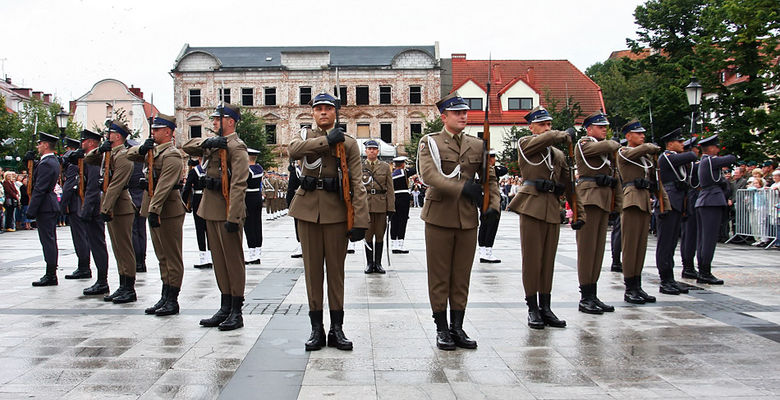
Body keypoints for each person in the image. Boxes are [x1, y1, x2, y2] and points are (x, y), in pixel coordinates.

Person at [417, 92, 500, 349]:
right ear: (444, 117)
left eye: (465, 112)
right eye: (457, 113)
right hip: (439, 216)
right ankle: (441, 327)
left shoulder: (477, 145)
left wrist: (493, 206)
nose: (463, 116)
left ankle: (457, 326)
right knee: (440, 275)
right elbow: (430, 176)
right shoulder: (430, 142)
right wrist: (462, 188)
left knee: (462, 275)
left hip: (467, 218)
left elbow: (490, 178)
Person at [288, 92, 369, 351]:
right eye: (318, 108)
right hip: (307, 211)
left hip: (336, 212)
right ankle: (316, 329)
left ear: (336, 112)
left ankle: (336, 328)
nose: (323, 112)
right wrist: (326, 141)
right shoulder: (304, 136)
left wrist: (360, 220)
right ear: (312, 112)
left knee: (336, 272)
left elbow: (357, 183)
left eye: (328, 108)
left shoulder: (349, 143)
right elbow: (293, 151)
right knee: (312, 273)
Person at [509, 106, 582, 327]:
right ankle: (532, 308)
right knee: (532, 260)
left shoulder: (558, 154)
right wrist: (563, 134)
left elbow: (569, 185)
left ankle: (546, 307)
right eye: (542, 124)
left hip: (551, 207)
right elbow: (548, 138)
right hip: (531, 206)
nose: (547, 128)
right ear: (531, 127)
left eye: (549, 124)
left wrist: (579, 212)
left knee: (548, 261)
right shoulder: (525, 144)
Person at [183, 103, 249, 330]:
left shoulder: (237, 148)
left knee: (232, 261)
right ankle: (225, 305)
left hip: (227, 210)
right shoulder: (213, 144)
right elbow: (187, 146)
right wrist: (208, 143)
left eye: (218, 120)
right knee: (219, 261)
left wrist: (233, 216)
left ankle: (236, 310)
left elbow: (239, 184)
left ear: (230, 122)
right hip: (210, 208)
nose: (214, 123)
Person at [128, 113, 187, 316]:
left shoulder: (172, 155)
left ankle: (173, 298)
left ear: (168, 132)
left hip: (168, 210)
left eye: (157, 130)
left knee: (172, 256)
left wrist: (154, 209)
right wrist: (141, 149)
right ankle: (165, 294)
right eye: (153, 129)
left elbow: (164, 186)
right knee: (162, 256)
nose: (153, 132)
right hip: (154, 208)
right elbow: (130, 154)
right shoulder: (152, 151)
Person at [574, 111, 621, 313]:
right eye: (600, 127)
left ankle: (592, 293)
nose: (604, 130)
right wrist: (614, 143)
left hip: (603, 199)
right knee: (587, 249)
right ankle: (585, 296)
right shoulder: (584, 144)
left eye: (605, 127)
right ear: (589, 129)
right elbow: (606, 146)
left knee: (598, 250)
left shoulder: (605, 149)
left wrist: (617, 205)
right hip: (589, 199)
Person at [85, 122, 137, 303]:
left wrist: (105, 207)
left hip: (121, 207)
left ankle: (129, 288)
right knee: (117, 248)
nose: (107, 135)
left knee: (124, 248)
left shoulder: (123, 156)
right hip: (112, 205)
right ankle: (122, 285)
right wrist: (100, 150)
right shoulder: (109, 153)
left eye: (111, 133)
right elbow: (88, 159)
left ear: (118, 136)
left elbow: (116, 185)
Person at [617, 119, 665, 304]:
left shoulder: (646, 158)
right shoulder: (624, 152)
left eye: (643, 133)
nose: (642, 136)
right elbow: (635, 152)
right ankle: (629, 287)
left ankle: (637, 285)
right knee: (630, 246)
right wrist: (650, 147)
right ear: (628, 136)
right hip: (631, 200)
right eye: (638, 134)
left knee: (640, 246)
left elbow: (656, 180)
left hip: (644, 200)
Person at [654, 128, 697, 295]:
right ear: (670, 144)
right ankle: (665, 279)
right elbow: (692, 155)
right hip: (668, 202)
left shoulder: (675, 158)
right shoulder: (666, 157)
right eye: (679, 142)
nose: (682, 144)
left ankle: (670, 278)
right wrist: (691, 150)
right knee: (665, 243)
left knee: (671, 243)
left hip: (677, 202)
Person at [74, 129, 111, 296]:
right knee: (96, 244)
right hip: (93, 207)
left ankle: (102, 281)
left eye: (83, 141)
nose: (81, 145)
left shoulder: (95, 160)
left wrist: (86, 209)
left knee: (97, 244)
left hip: (94, 208)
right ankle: (101, 280)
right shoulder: (91, 158)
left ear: (90, 143)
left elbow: (93, 187)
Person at [695, 134, 735, 285]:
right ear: (710, 148)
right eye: (716, 147)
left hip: (706, 200)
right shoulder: (709, 160)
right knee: (709, 239)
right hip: (711, 201)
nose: (718, 150)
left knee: (704, 239)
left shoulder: (705, 161)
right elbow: (731, 158)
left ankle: (703, 270)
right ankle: (705, 272)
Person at [25, 132, 61, 286]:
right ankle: (51, 272)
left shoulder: (46, 163)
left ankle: (51, 274)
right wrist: (30, 163)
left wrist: (31, 209)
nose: (38, 146)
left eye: (40, 144)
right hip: (49, 204)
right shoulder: (52, 161)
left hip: (45, 206)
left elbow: (40, 188)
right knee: (49, 239)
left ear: (46, 145)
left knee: (47, 240)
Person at [361, 139, 395, 274]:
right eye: (369, 149)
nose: (372, 151)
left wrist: (391, 208)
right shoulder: (360, 166)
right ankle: (369, 263)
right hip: (365, 205)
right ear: (366, 151)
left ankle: (378, 263)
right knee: (368, 235)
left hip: (381, 205)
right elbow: (356, 188)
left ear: (378, 151)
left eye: (374, 149)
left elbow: (390, 188)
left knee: (380, 235)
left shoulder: (385, 167)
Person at [60, 137, 92, 280]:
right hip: (81, 203)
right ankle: (84, 266)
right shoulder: (82, 162)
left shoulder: (74, 165)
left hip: (76, 204)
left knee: (79, 237)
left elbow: (69, 186)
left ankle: (84, 267)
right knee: (83, 236)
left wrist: (62, 206)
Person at [182, 157, 212, 268]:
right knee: (210, 229)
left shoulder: (194, 171)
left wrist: (184, 202)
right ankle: (211, 256)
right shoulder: (211, 170)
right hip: (210, 199)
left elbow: (187, 188)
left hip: (198, 199)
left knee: (200, 229)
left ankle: (203, 258)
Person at [478, 151, 506, 264]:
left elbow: (504, 170)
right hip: (491, 202)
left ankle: (483, 251)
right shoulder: (489, 170)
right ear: (490, 159)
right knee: (490, 226)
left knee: (484, 226)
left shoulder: (489, 169)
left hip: (485, 201)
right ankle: (487, 251)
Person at [680, 137, 700, 277]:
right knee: (690, 234)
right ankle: (688, 267)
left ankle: (688, 266)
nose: (698, 151)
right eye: (696, 148)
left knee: (689, 234)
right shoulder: (692, 166)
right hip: (690, 199)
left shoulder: (687, 165)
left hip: (688, 198)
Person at [127, 150, 148, 273]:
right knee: (142, 232)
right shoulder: (144, 164)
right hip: (143, 200)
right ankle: (142, 262)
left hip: (132, 200)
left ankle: (137, 262)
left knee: (133, 232)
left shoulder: (131, 164)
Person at [390, 156, 415, 253]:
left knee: (394, 221)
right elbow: (416, 169)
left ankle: (394, 244)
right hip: (403, 198)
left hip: (393, 198)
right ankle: (400, 245)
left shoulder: (392, 174)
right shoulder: (404, 172)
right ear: (403, 164)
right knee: (402, 220)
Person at [244, 148, 265, 264]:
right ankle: (258, 251)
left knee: (249, 224)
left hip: (248, 197)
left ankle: (252, 252)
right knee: (257, 223)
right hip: (257, 196)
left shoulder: (247, 170)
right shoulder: (259, 168)